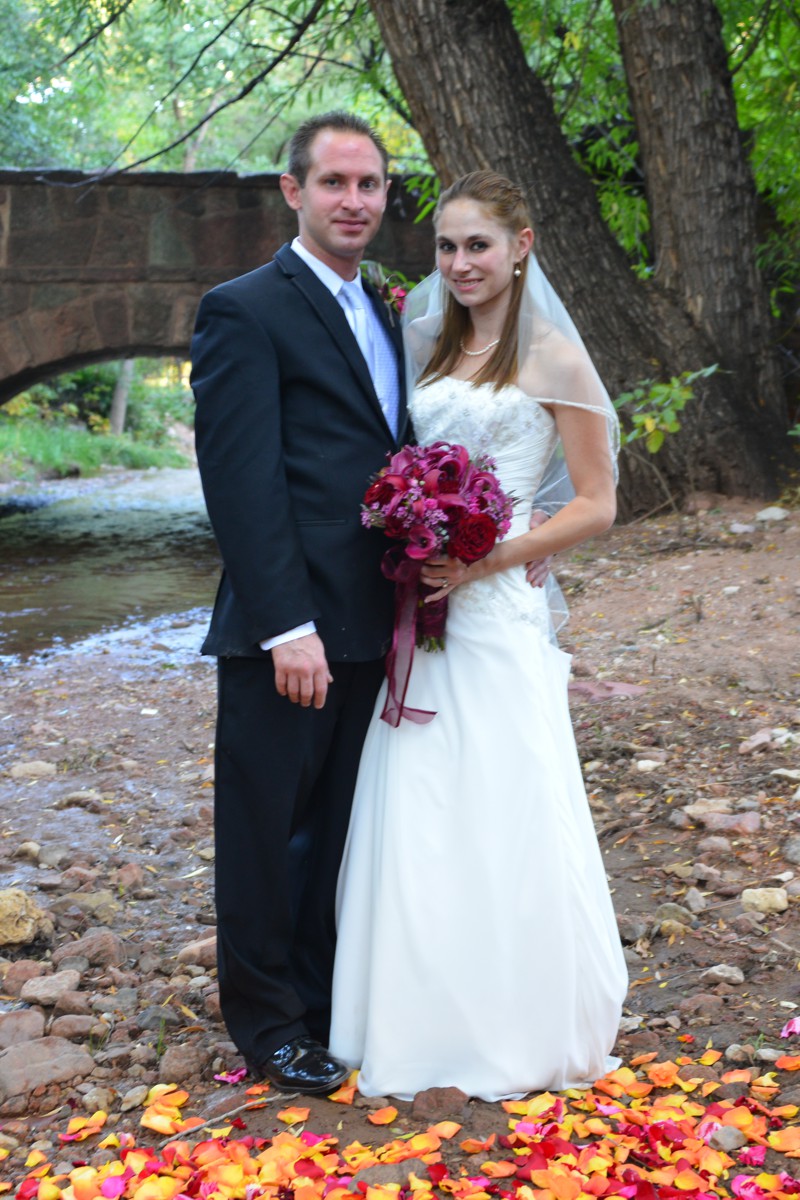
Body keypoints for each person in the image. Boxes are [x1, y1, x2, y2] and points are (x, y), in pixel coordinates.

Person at [329, 170, 628, 1101]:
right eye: (448, 247)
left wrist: (492, 557)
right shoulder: (422, 345)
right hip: (419, 604)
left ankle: (513, 1022)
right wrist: (409, 524)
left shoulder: (553, 359)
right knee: (416, 804)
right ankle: (412, 1017)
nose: (460, 264)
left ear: (522, 245)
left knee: (502, 799)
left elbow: (596, 504)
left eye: (478, 246)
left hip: (493, 610)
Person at [191, 111, 409, 1094]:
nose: (353, 201)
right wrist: (287, 625)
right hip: (289, 628)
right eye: (334, 184)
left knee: (336, 834)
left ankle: (323, 1005)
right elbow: (241, 481)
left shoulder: (393, 313)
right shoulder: (244, 308)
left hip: (376, 618)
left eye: (368, 185)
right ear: (292, 191)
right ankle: (268, 1026)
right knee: (264, 830)